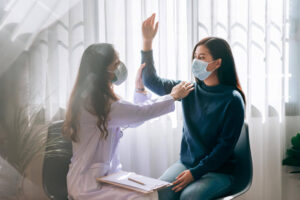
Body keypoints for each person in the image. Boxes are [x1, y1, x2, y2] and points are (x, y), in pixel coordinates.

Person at [62, 43, 193, 200]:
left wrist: (139, 89)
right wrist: (173, 96)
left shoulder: (98, 98)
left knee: (152, 192)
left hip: (104, 177)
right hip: (87, 185)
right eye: (116, 63)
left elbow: (132, 118)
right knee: (146, 197)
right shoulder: (95, 102)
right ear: (103, 71)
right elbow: (139, 113)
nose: (120, 67)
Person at [141, 14, 246, 200]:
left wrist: (195, 173)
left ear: (218, 63)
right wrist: (147, 42)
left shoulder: (233, 99)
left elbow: (224, 149)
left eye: (202, 57)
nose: (195, 62)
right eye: (195, 57)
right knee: (160, 192)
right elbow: (150, 81)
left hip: (219, 171)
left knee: (190, 197)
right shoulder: (187, 89)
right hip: (187, 164)